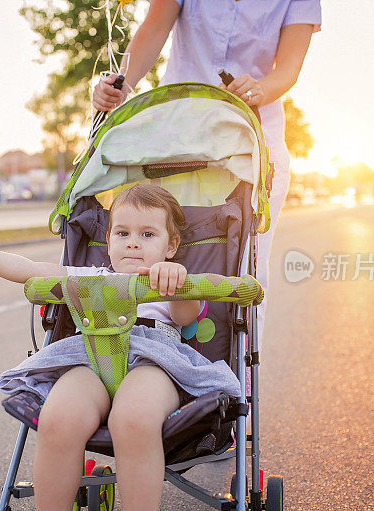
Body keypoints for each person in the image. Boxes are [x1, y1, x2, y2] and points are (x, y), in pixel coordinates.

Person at [0, 183, 241, 511]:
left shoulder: (171, 280)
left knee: (132, 419)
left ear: (171, 245)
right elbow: (29, 270)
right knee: (57, 418)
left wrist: (177, 283)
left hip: (154, 362)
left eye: (147, 234)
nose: (133, 242)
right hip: (90, 357)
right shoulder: (91, 277)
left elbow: (186, 316)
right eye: (123, 233)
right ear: (108, 239)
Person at [93, 0, 321, 349]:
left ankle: (234, 377)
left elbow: (288, 67)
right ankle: (141, 346)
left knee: (246, 265)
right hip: (175, 139)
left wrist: (260, 89)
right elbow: (154, 28)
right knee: (158, 239)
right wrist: (124, 85)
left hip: (250, 142)